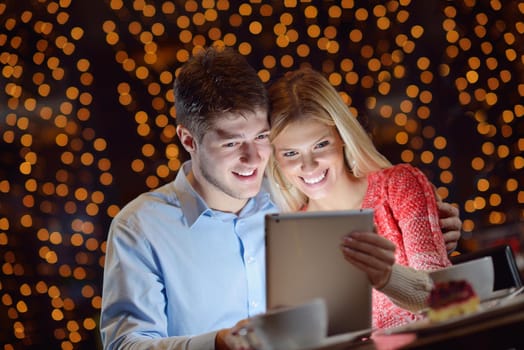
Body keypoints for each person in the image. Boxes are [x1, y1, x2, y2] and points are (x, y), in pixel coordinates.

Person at [99, 46, 462, 350]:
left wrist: (427, 218)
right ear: (189, 140)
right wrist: (217, 343)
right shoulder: (141, 227)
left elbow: (437, 293)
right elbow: (126, 345)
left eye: (261, 138)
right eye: (231, 143)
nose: (254, 158)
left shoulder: (293, 199)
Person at [265, 67, 454, 329]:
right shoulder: (291, 232)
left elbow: (446, 297)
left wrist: (387, 277)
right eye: (290, 154)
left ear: (341, 137)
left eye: (321, 145)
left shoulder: (398, 187)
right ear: (275, 158)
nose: (309, 166)